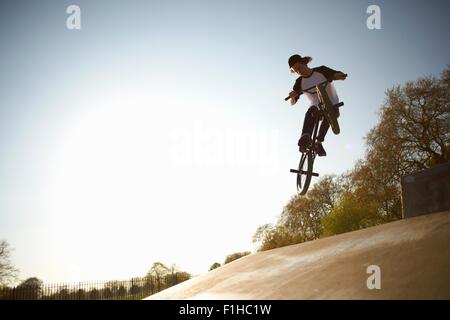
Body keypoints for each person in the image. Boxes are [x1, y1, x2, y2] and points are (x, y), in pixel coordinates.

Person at [288, 54, 347, 156]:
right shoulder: (299, 82)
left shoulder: (321, 70)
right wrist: (293, 96)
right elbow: (292, 103)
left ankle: (318, 142)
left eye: (299, 68)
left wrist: (340, 76)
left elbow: (336, 74)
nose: (299, 71)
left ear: (304, 62)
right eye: (296, 71)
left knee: (332, 114)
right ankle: (305, 137)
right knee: (311, 111)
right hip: (315, 105)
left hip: (331, 102)